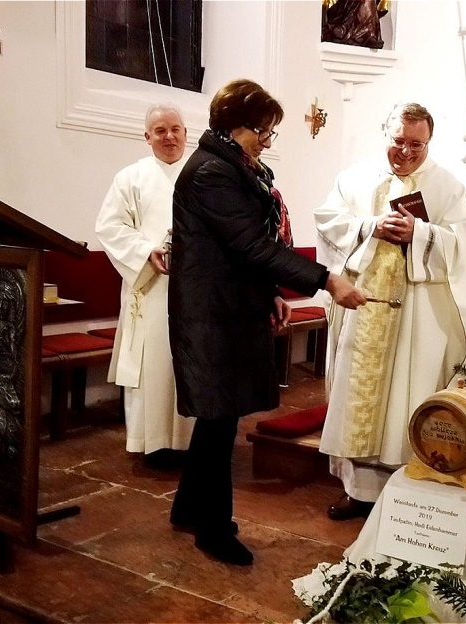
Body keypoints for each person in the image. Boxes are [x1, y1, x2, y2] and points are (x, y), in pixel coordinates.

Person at [167, 79, 365, 566]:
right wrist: (327, 280)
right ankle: (213, 531)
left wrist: (272, 292)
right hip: (211, 312)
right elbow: (251, 246)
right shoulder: (213, 172)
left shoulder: (232, 167)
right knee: (219, 417)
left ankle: (190, 508)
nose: (266, 140)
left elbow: (243, 248)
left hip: (228, 305)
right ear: (233, 124)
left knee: (220, 415)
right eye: (262, 130)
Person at [315, 102, 466, 520]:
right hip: (362, 304)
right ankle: (359, 492)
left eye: (417, 145)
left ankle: (408, 493)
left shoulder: (446, 186)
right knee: (360, 398)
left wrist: (420, 234)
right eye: (399, 142)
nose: (406, 152)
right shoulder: (353, 178)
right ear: (385, 135)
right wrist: (370, 227)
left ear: (429, 142)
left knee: (407, 397)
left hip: (417, 317)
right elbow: (328, 223)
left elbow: (463, 246)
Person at [95, 104, 192, 469]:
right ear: (147, 136)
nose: (169, 137)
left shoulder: (203, 174)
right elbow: (109, 227)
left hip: (196, 291)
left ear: (186, 132)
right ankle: (152, 443)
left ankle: (190, 441)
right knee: (153, 364)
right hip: (150, 287)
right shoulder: (130, 178)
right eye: (160, 130)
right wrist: (145, 251)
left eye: (176, 129)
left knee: (189, 363)